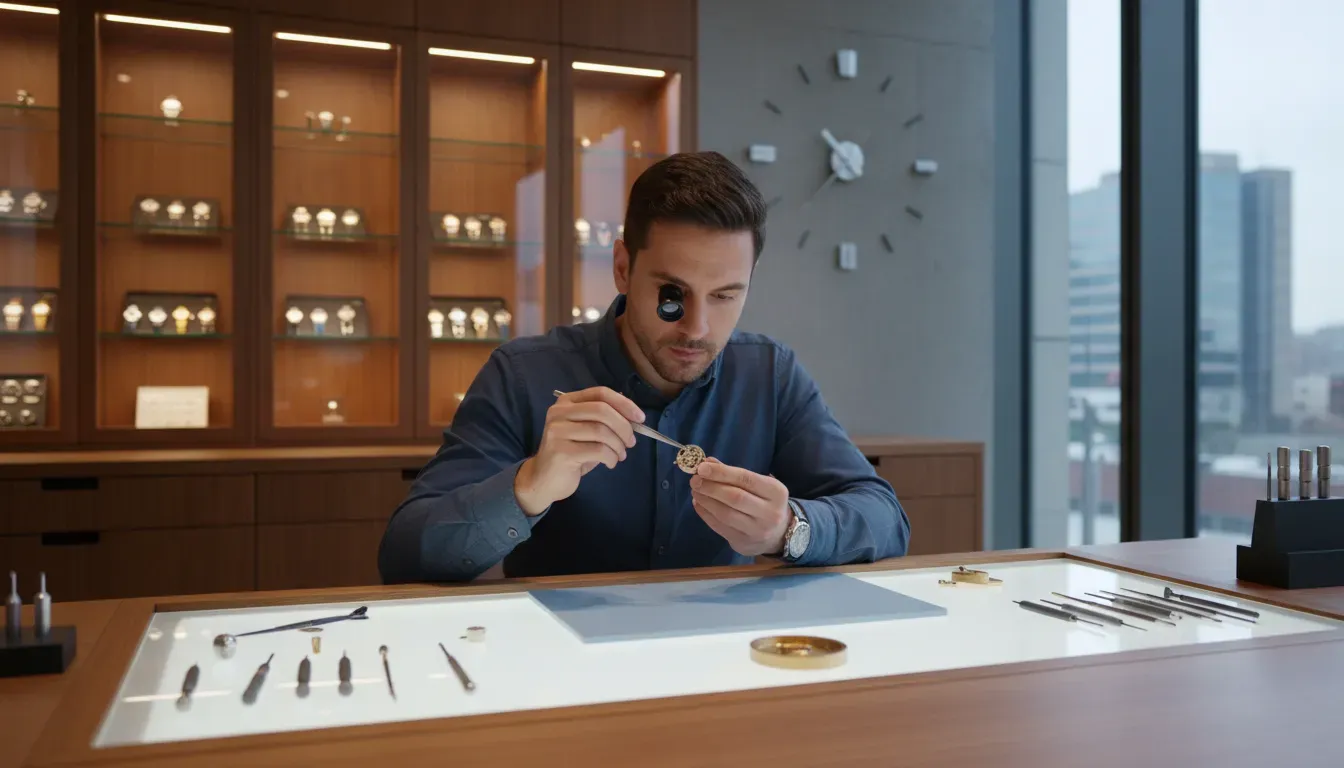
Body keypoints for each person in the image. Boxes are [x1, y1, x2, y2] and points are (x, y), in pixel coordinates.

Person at [378, 150, 910, 583]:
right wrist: (528, 487)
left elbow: (884, 516)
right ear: (623, 268)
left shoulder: (769, 374)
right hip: (562, 672)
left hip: (723, 664)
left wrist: (790, 529)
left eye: (725, 295)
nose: (698, 328)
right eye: (672, 294)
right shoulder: (523, 375)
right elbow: (405, 554)